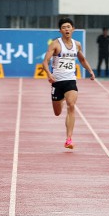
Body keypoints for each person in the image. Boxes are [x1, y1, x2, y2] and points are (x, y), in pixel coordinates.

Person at [41, 17, 95, 151]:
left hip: (71, 80)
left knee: (71, 106)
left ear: (73, 29)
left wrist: (90, 71)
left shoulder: (77, 45)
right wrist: (49, 74)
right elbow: (45, 61)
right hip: (57, 81)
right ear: (60, 30)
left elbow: (82, 59)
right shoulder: (55, 44)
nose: (66, 29)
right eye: (64, 27)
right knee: (57, 112)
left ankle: (69, 139)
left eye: (68, 27)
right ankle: (61, 99)